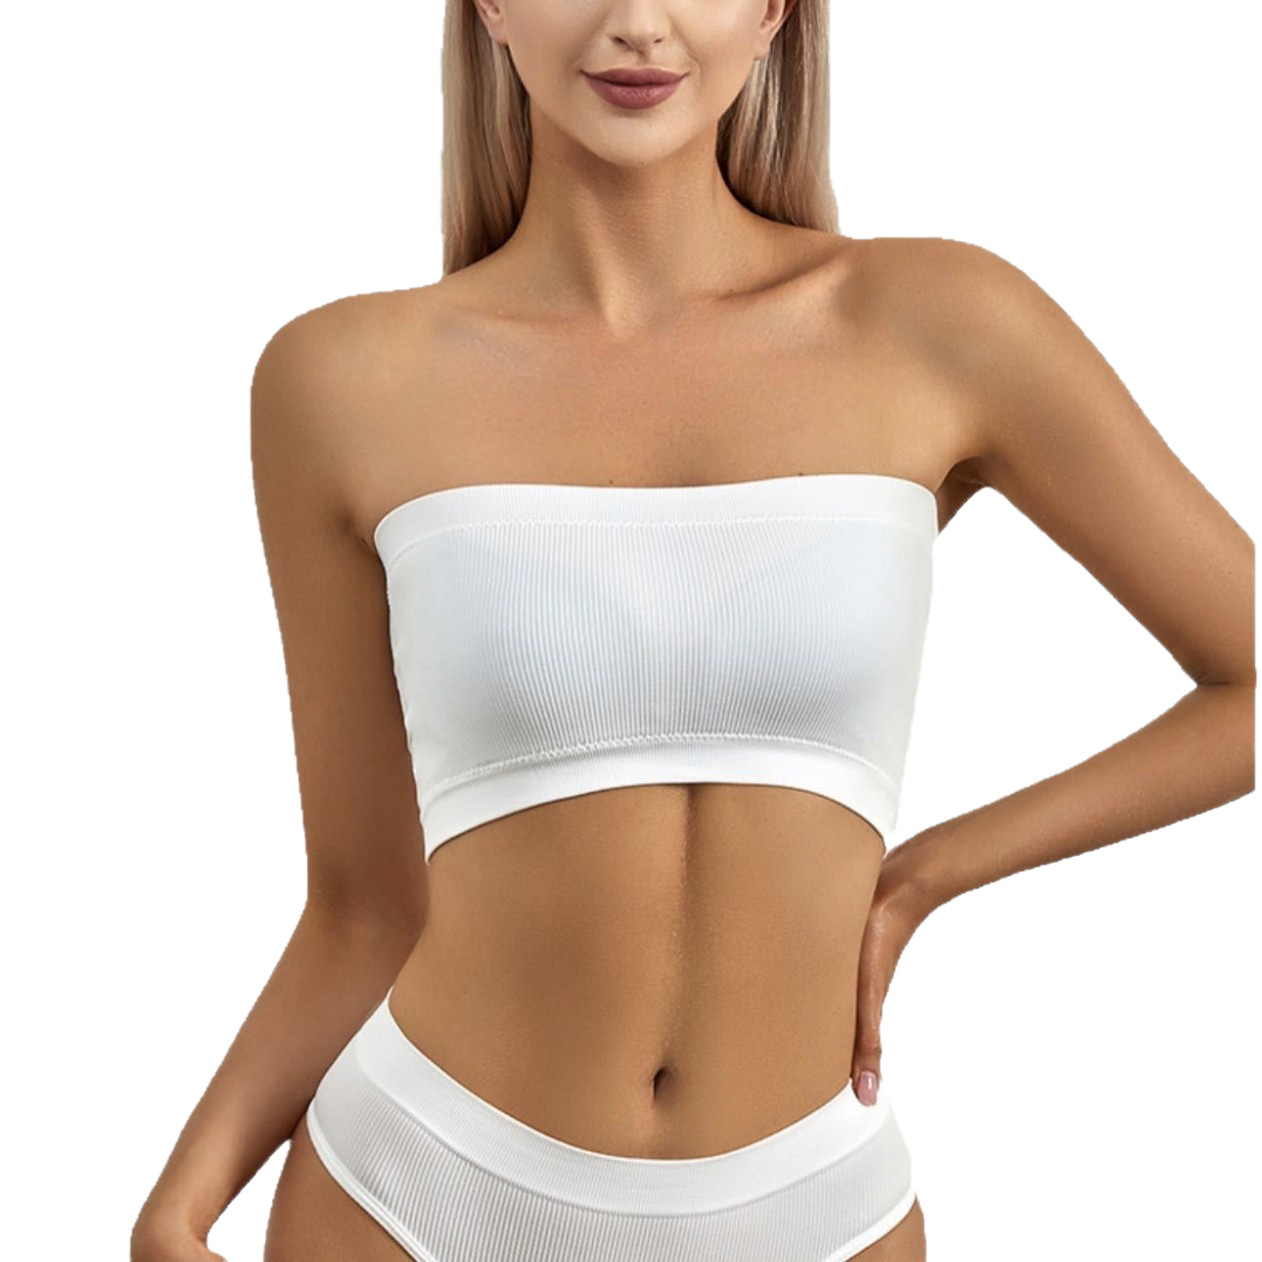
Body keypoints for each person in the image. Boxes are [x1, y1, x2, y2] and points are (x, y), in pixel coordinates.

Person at [130, 1, 1256, 1259]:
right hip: (421, 1185)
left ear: (772, 11)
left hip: (813, 1201)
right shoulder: (343, 379)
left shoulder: (937, 323)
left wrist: (924, 875)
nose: (636, 24)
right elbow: (361, 907)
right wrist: (178, 1207)